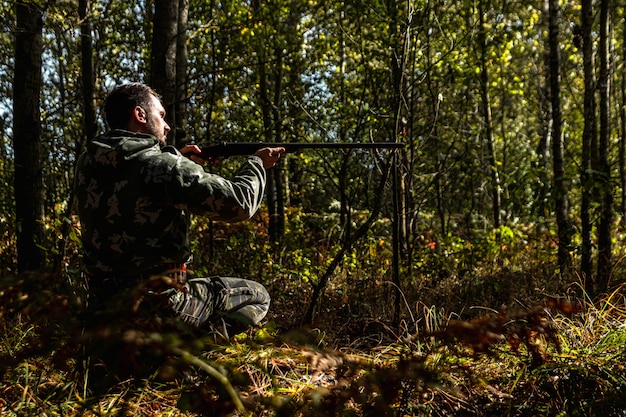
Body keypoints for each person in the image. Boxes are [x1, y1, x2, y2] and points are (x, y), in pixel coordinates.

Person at [74, 82, 285, 338]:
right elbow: (239, 204)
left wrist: (177, 158)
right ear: (140, 115)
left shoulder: (86, 165)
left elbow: (134, 179)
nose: (167, 126)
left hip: (101, 311)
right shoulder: (164, 167)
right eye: (160, 115)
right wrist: (257, 164)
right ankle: (193, 352)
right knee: (258, 296)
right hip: (158, 309)